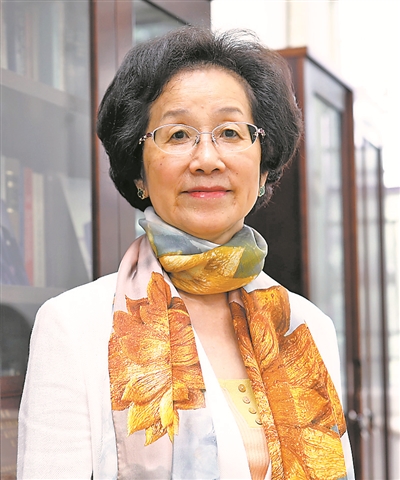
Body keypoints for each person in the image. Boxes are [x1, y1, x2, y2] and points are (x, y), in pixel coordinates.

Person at [17, 27, 354, 480]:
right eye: (178, 135)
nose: (207, 159)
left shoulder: (306, 326)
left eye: (230, 132)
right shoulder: (74, 327)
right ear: (139, 171)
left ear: (263, 166)